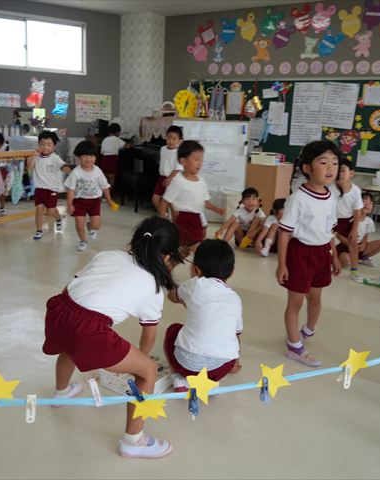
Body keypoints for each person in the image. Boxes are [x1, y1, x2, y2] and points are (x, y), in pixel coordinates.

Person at [42, 216, 184, 459]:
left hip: (60, 310)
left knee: (69, 346)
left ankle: (61, 392)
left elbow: (71, 287)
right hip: (89, 331)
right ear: (168, 257)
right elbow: (148, 338)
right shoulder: (153, 286)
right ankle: (134, 441)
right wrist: (140, 362)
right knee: (148, 371)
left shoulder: (108, 255)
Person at [276, 140, 341, 367]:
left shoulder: (332, 196)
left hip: (322, 253)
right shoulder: (298, 198)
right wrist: (282, 264)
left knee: (315, 297)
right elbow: (284, 233)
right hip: (301, 254)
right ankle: (294, 347)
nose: (330, 168)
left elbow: (330, 230)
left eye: (334, 163)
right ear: (307, 168)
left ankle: (308, 331)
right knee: (295, 302)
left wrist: (334, 255)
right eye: (323, 162)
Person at [164, 239, 242, 392]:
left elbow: (172, 296)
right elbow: (236, 335)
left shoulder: (195, 284)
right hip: (221, 368)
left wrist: (173, 282)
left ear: (197, 270)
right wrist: (234, 363)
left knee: (173, 330)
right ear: (232, 271)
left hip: (186, 365)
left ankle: (179, 377)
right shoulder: (235, 298)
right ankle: (209, 383)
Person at [159, 140, 225, 255]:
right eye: (196, 159)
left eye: (201, 160)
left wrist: (216, 209)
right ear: (183, 161)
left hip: (197, 220)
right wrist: (163, 217)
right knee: (197, 250)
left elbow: (204, 201)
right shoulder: (178, 181)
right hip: (184, 220)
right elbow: (165, 201)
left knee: (184, 251)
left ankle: (168, 264)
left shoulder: (202, 181)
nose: (200, 163)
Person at [64, 141, 118, 251]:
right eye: (85, 156)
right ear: (79, 157)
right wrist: (69, 205)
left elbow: (105, 186)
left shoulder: (98, 171)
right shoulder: (76, 172)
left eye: (92, 156)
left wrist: (109, 199)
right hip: (79, 202)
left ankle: (90, 226)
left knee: (96, 226)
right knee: (79, 225)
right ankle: (83, 240)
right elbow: (71, 190)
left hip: (94, 202)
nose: (89, 159)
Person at [28, 131, 71, 240]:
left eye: (49, 145)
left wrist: (69, 171)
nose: (45, 147)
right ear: (38, 144)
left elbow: (63, 166)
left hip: (51, 189)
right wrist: (33, 156)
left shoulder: (55, 158)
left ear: (53, 146)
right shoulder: (36, 157)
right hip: (39, 189)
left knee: (50, 211)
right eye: (42, 144)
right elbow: (30, 168)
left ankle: (58, 218)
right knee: (39, 210)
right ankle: (39, 230)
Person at [336, 192, 380, 268]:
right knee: (345, 261)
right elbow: (338, 235)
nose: (367, 205)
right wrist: (350, 245)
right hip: (345, 247)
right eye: (364, 201)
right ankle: (350, 258)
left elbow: (365, 236)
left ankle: (362, 258)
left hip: (359, 247)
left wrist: (363, 245)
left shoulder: (369, 221)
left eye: (370, 203)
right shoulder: (349, 219)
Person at [335, 159, 364, 283]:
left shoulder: (355, 190)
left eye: (342, 170)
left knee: (353, 243)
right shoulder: (330, 187)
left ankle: (354, 270)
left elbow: (357, 211)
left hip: (347, 220)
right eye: (337, 170)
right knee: (323, 241)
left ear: (351, 173)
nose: (339, 174)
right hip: (331, 220)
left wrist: (354, 229)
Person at [152, 125, 183, 214]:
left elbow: (178, 168)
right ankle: (164, 215)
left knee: (171, 203)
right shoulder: (163, 149)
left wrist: (169, 178)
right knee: (155, 199)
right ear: (165, 137)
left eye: (174, 139)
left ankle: (172, 219)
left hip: (173, 179)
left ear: (179, 141)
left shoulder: (178, 152)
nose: (171, 141)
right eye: (169, 138)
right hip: (162, 178)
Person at [99, 123, 126, 190]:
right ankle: (108, 193)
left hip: (103, 160)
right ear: (117, 132)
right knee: (112, 178)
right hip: (112, 160)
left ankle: (103, 193)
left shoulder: (105, 139)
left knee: (105, 178)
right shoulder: (117, 139)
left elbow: (102, 152)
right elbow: (126, 146)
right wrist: (130, 145)